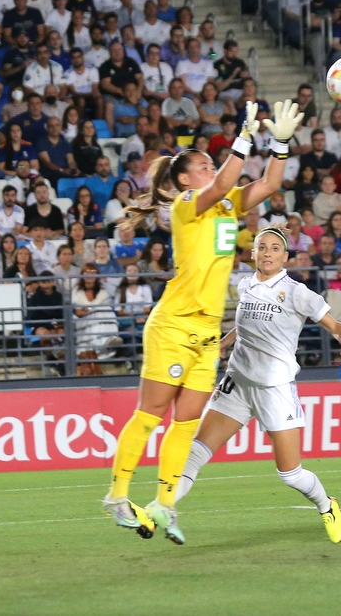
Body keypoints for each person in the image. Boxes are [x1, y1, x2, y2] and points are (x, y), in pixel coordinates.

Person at [100, 99, 303, 544]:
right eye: (204, 163)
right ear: (185, 179)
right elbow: (228, 179)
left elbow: (270, 182)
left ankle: (164, 505)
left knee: (186, 424)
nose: (212, 167)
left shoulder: (226, 203)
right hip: (174, 323)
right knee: (151, 413)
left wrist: (282, 142)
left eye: (213, 161)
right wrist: (244, 137)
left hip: (208, 333)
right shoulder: (186, 205)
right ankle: (117, 497)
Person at [171, 228, 341, 542]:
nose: (267, 253)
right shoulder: (245, 285)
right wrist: (225, 343)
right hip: (237, 382)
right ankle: (162, 507)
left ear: (285, 256)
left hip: (275, 388)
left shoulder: (297, 292)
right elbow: (245, 327)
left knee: (291, 474)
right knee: (197, 451)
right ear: (253, 253)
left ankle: (327, 505)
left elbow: (332, 322)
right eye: (262, 247)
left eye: (274, 248)